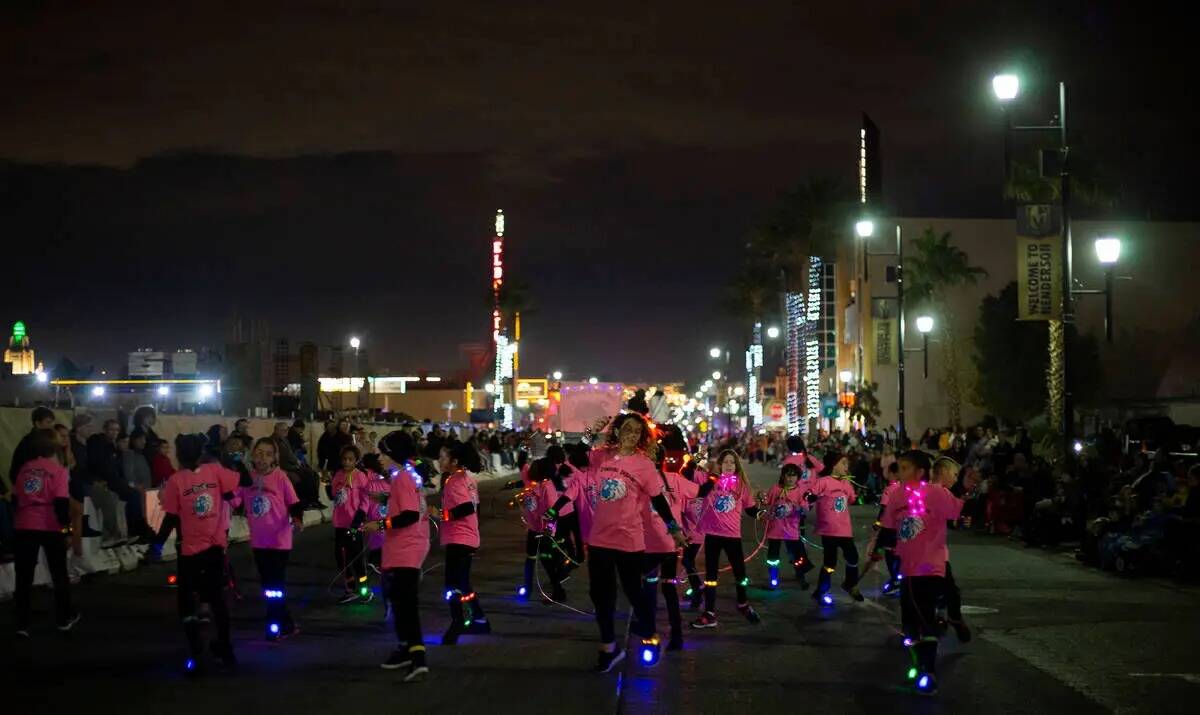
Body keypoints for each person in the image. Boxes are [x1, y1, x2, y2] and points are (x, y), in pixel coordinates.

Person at [544, 413, 686, 671]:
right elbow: (575, 458)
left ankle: (649, 634)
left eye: (637, 432)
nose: (632, 435)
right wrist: (591, 432)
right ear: (618, 431)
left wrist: (673, 529)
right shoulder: (602, 455)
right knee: (600, 595)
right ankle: (609, 646)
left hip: (629, 539)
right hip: (600, 539)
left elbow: (659, 501)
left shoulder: (644, 464)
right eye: (628, 429)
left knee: (634, 592)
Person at [884, 450, 978, 695]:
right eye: (900, 468)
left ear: (920, 471)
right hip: (908, 568)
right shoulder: (896, 495)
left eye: (905, 468)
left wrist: (966, 490)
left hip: (930, 567)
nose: (900, 472)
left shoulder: (935, 493)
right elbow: (888, 529)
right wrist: (879, 550)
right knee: (910, 625)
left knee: (926, 620)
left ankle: (928, 671)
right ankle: (920, 663)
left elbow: (958, 509)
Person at [150, 434, 241, 674]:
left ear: (178, 455)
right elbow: (239, 485)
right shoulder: (215, 471)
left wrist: (157, 544)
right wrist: (235, 462)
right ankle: (225, 647)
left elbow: (171, 517)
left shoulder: (176, 480)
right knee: (217, 600)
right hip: (214, 547)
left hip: (189, 550)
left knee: (188, 601)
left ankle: (195, 648)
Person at [362, 430, 432, 682]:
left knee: (405, 604)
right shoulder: (407, 474)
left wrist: (378, 525)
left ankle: (417, 657)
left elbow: (410, 515)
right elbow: (407, 502)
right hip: (407, 547)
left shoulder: (403, 477)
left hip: (407, 547)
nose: (379, 457)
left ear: (392, 454)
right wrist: (385, 497)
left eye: (382, 452)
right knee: (398, 600)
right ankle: (405, 649)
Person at [235, 437, 304, 640]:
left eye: (267, 454)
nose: (262, 457)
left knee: (276, 584)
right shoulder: (248, 478)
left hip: (279, 541)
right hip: (259, 541)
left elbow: (294, 503)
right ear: (252, 455)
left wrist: (297, 518)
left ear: (274, 457)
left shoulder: (280, 477)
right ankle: (286, 622)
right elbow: (235, 500)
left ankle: (273, 623)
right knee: (268, 585)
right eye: (259, 453)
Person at [11, 428, 78, 636]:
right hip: (49, 525)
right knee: (59, 574)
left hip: (24, 524)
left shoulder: (25, 468)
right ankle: (63, 618)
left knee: (23, 577)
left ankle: (22, 623)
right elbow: (61, 504)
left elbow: (16, 498)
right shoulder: (58, 471)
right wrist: (67, 530)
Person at [691, 449, 762, 629]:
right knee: (711, 576)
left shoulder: (742, 485)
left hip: (733, 536)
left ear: (737, 465)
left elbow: (751, 509)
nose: (729, 465)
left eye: (732, 462)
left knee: (740, 573)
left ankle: (743, 604)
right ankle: (709, 612)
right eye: (725, 462)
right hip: (713, 535)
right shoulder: (710, 480)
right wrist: (695, 459)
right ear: (719, 464)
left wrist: (763, 513)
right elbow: (687, 473)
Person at [436, 441, 488, 644]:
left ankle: (457, 622)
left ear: (454, 461)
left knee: (452, 584)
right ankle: (480, 619)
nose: (439, 461)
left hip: (459, 538)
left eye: (443, 457)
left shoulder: (455, 482)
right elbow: (476, 508)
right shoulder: (467, 479)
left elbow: (466, 508)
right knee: (463, 582)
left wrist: (440, 514)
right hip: (467, 536)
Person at [806, 451, 864, 603]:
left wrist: (860, 496)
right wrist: (809, 498)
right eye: (843, 463)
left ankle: (851, 585)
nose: (847, 466)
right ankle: (822, 588)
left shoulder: (847, 483)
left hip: (845, 529)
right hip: (828, 530)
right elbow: (809, 494)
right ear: (833, 465)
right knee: (830, 562)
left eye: (847, 463)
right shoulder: (823, 481)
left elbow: (852, 499)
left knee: (853, 557)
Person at [328, 444, 370, 604]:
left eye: (350, 459)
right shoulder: (338, 475)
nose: (347, 462)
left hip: (354, 524)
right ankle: (350, 588)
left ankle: (364, 589)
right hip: (340, 523)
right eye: (344, 459)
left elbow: (365, 500)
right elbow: (334, 495)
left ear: (356, 460)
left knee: (357, 558)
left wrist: (358, 519)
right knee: (342, 558)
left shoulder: (360, 477)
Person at [760, 462, 812, 591]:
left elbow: (805, 509)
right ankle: (773, 578)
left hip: (792, 530)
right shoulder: (775, 489)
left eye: (793, 476)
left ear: (798, 477)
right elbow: (767, 502)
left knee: (797, 556)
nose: (790, 478)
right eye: (787, 475)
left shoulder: (800, 491)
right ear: (783, 476)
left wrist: (799, 508)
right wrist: (761, 499)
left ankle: (800, 576)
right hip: (775, 530)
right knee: (773, 557)